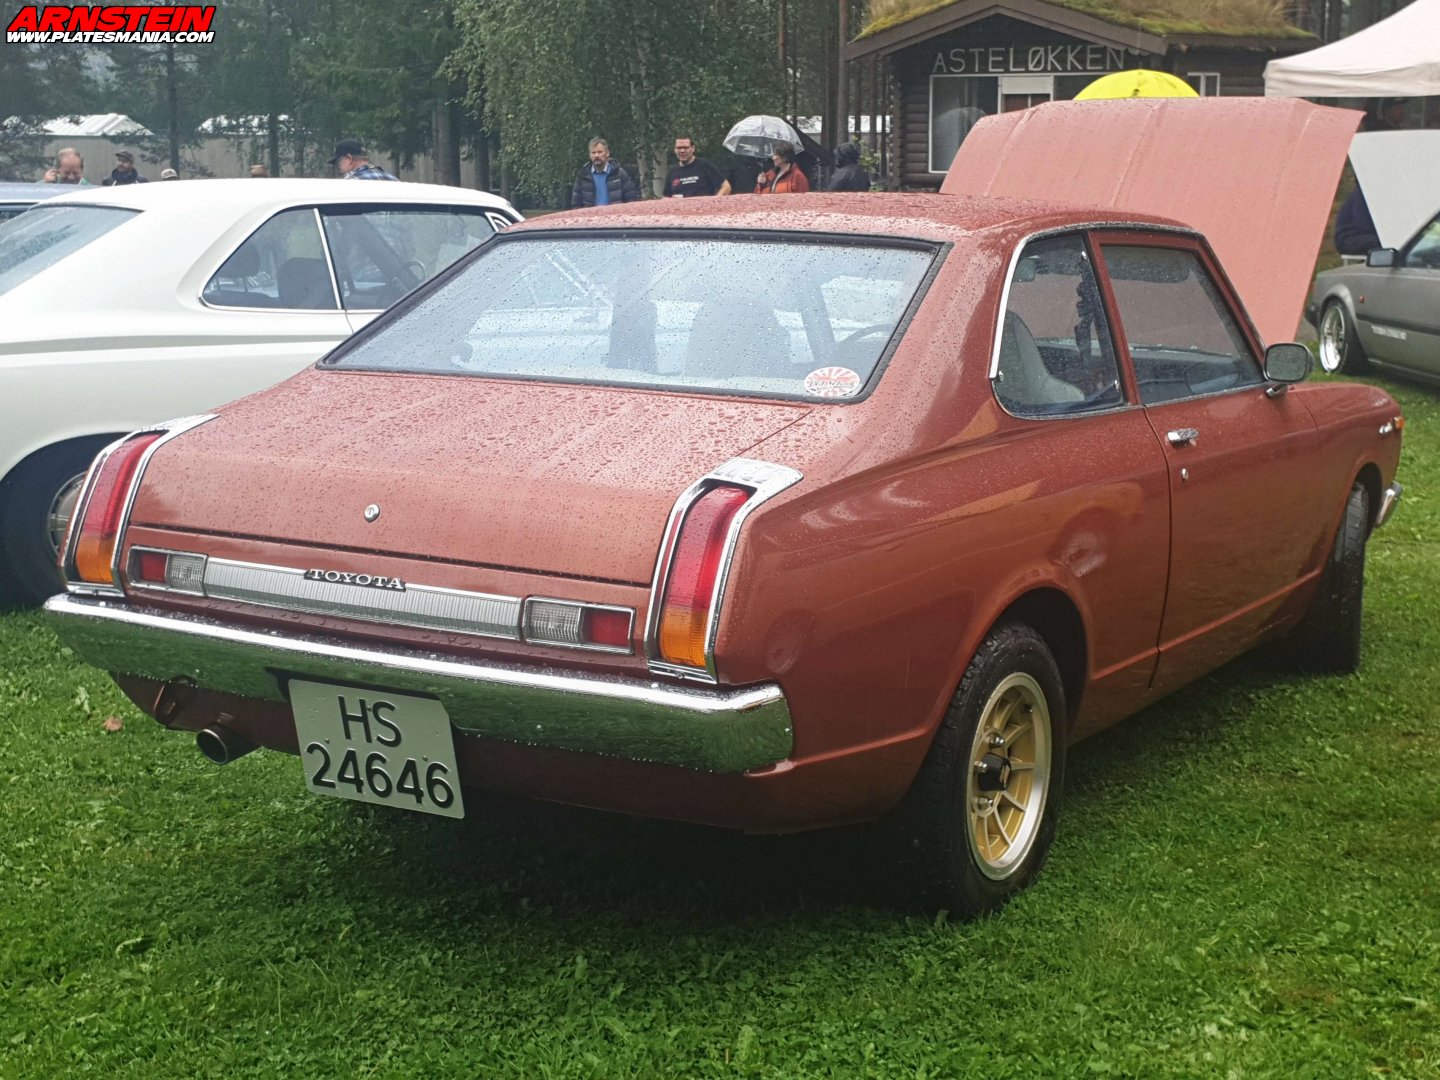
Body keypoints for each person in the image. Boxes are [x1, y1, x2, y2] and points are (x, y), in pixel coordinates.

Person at [570, 138, 640, 208]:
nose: (596, 155)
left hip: (615, 214)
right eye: (593, 153)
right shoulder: (583, 176)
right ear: (590, 155)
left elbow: (631, 200)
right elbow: (576, 205)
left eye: (600, 152)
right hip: (591, 215)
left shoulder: (619, 174)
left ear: (607, 153)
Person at [665, 136, 730, 197]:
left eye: (686, 147)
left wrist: (714, 201)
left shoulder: (705, 165)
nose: (682, 151)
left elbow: (726, 187)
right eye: (679, 148)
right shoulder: (672, 171)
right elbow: (666, 197)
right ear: (675, 150)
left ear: (693, 148)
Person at [1334, 186, 1380, 255]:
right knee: (1384, 242)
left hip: (1364, 237)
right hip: (1349, 239)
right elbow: (1363, 226)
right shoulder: (1363, 193)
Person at [329, 139, 398, 180]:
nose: (338, 166)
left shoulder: (349, 184)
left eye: (338, 161)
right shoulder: (393, 180)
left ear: (348, 159)